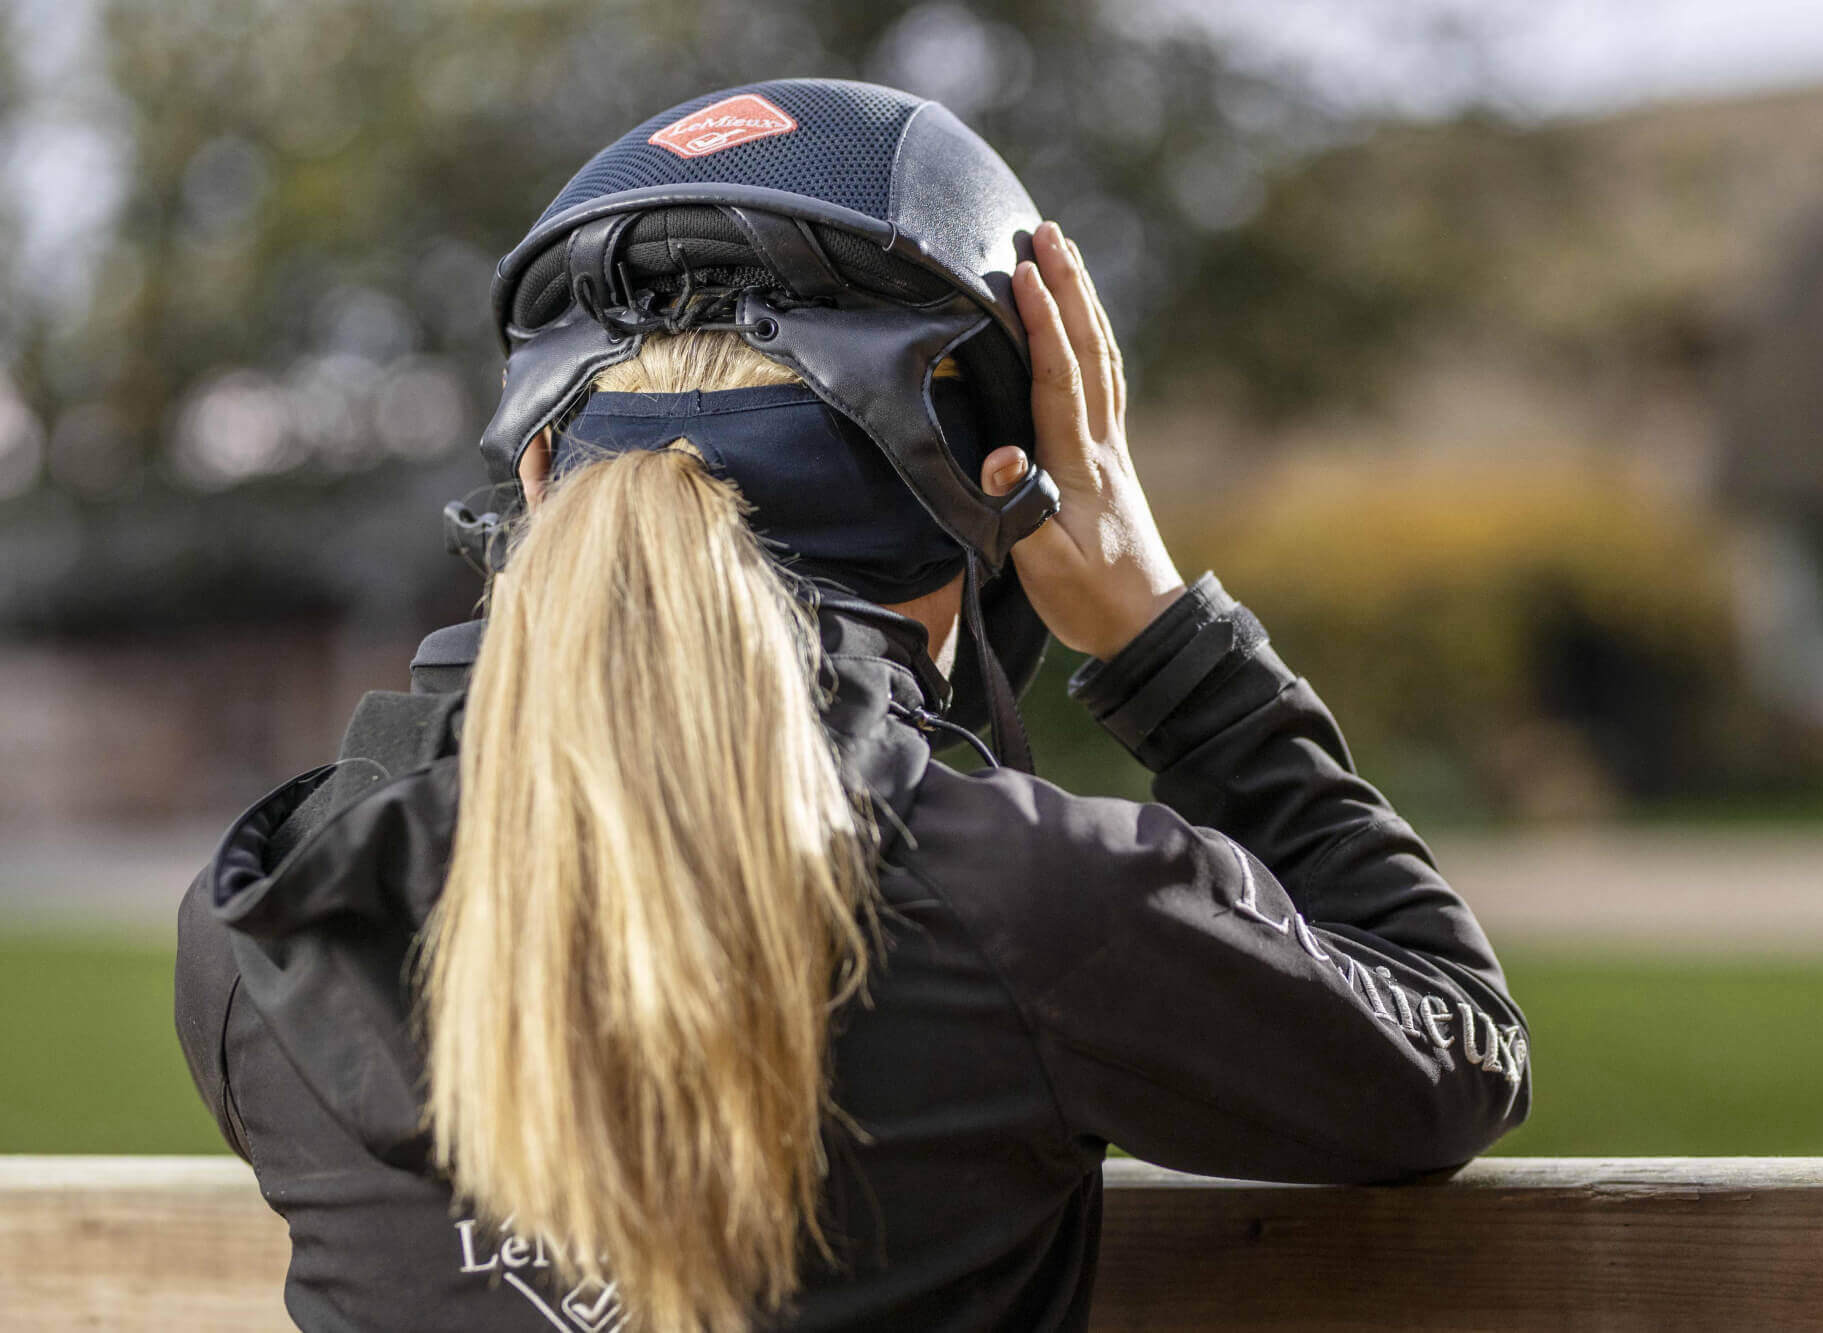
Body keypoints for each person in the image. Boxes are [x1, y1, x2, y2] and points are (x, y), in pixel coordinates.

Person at [174, 79, 1529, 1333]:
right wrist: (1165, 636)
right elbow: (1454, 1041)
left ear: (536, 477)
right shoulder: (1032, 908)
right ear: (997, 490)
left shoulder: (271, 924)